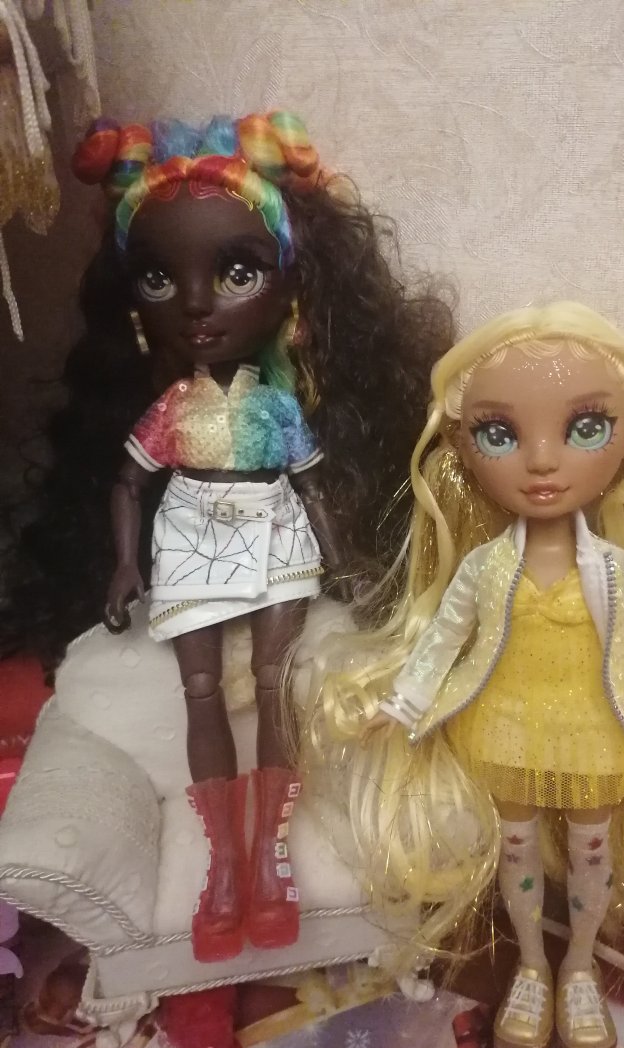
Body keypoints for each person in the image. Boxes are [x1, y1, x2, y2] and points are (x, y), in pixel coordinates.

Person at [1, 111, 454, 963]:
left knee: (277, 685)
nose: (198, 303)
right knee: (200, 690)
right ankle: (224, 864)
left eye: (238, 271)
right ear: (133, 303)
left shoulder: (277, 409)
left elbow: (312, 486)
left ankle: (269, 855)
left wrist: (344, 563)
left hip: (277, 542)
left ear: (291, 294)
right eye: (159, 279)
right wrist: (125, 564)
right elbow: (127, 482)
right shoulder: (171, 410)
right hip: (191, 545)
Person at [310, 301, 624, 1048]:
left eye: (585, 427)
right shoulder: (486, 567)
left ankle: (579, 966)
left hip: (595, 730)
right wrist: (401, 706)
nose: (542, 462)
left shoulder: (614, 569)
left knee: (590, 851)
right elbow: (443, 637)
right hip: (505, 726)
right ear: (460, 443)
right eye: (500, 433)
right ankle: (534, 967)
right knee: (516, 848)